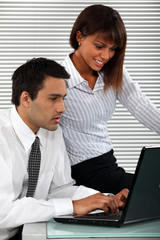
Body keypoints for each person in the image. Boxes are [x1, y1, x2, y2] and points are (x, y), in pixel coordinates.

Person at [0, 57, 128, 240]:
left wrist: (108, 199)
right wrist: (73, 206)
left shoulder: (53, 132)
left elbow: (61, 189)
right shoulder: (2, 136)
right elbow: (3, 212)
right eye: (53, 99)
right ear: (26, 98)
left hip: (30, 233)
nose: (62, 108)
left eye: (63, 98)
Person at [60, 4, 160, 194]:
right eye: (99, 46)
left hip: (108, 164)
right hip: (81, 172)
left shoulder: (111, 72)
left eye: (113, 49)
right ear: (79, 36)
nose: (105, 56)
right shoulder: (57, 79)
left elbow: (139, 104)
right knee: (152, 191)